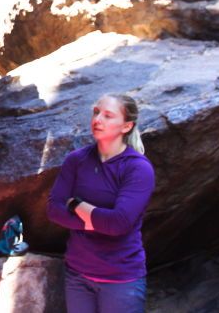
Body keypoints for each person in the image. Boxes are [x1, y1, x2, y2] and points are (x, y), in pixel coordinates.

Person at [46, 94, 156, 313]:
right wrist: (94, 221)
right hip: (77, 274)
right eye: (96, 112)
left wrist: (77, 205)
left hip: (121, 279)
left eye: (108, 115)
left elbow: (118, 223)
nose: (98, 120)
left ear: (126, 126)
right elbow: (53, 209)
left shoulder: (137, 168)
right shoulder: (76, 160)